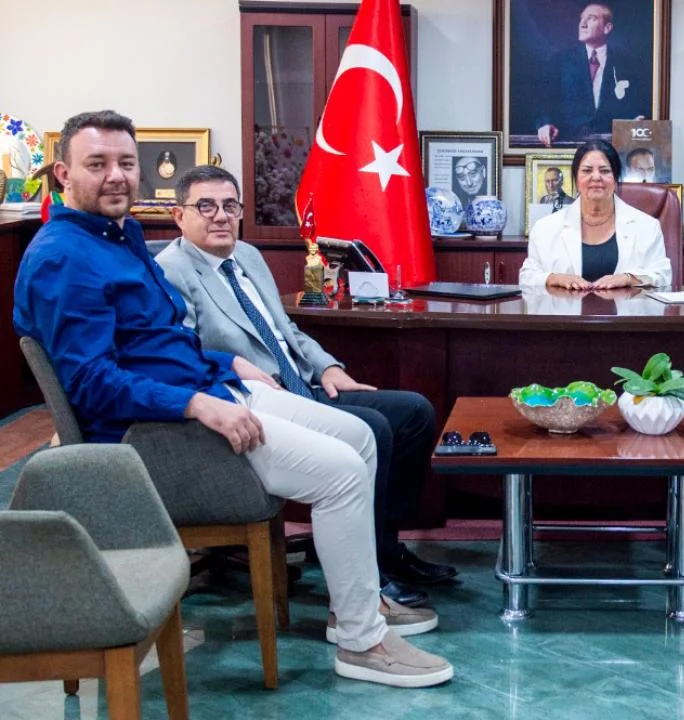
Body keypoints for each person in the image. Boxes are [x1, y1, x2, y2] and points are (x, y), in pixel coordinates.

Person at [13, 110, 453, 688]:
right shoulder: (62, 258)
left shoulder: (121, 237)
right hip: (156, 436)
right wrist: (197, 404)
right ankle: (362, 643)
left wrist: (228, 365)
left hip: (210, 389)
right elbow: (93, 383)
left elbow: (163, 342)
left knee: (361, 435)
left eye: (125, 162)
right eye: (97, 164)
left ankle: (353, 606)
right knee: (343, 471)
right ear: (64, 174)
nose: (116, 176)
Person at [154, 164, 457, 610]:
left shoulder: (247, 256)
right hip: (259, 401)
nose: (221, 216)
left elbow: (286, 331)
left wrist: (327, 367)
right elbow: (181, 353)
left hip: (302, 382)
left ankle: (386, 547)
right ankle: (367, 572)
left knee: (415, 412)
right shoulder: (169, 271)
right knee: (374, 428)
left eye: (230, 206)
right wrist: (235, 367)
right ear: (179, 216)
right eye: (206, 206)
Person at [519, 139, 671, 289]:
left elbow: (663, 275)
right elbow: (527, 276)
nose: (596, 177)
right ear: (576, 179)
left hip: (628, 306)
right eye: (587, 170)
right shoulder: (545, 229)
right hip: (564, 306)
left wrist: (629, 278)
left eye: (605, 171)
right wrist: (553, 278)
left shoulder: (647, 227)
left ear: (616, 178)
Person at [535, 3, 651, 147]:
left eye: (591, 18)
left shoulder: (627, 64)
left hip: (612, 147)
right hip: (570, 144)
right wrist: (545, 123)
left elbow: (639, 106)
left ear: (607, 28)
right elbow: (545, 101)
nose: (582, 24)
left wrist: (638, 120)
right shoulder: (561, 61)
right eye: (581, 18)